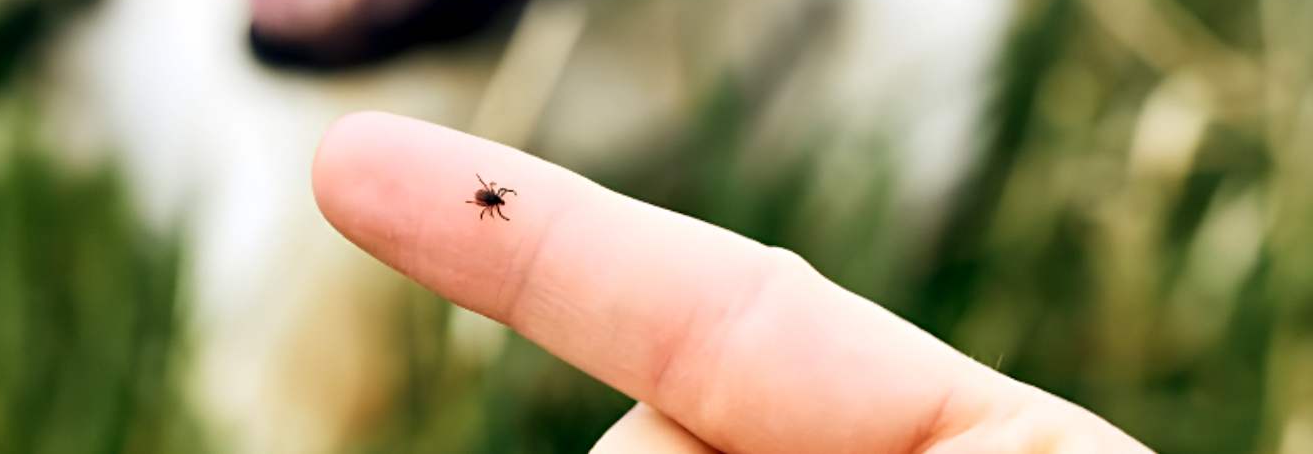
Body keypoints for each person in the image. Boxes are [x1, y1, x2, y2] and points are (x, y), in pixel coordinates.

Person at [311, 111, 1150, 453]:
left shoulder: (496, 199)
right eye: (492, 198)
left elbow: (498, 203)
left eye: (492, 197)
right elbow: (498, 202)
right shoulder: (497, 198)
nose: (492, 199)